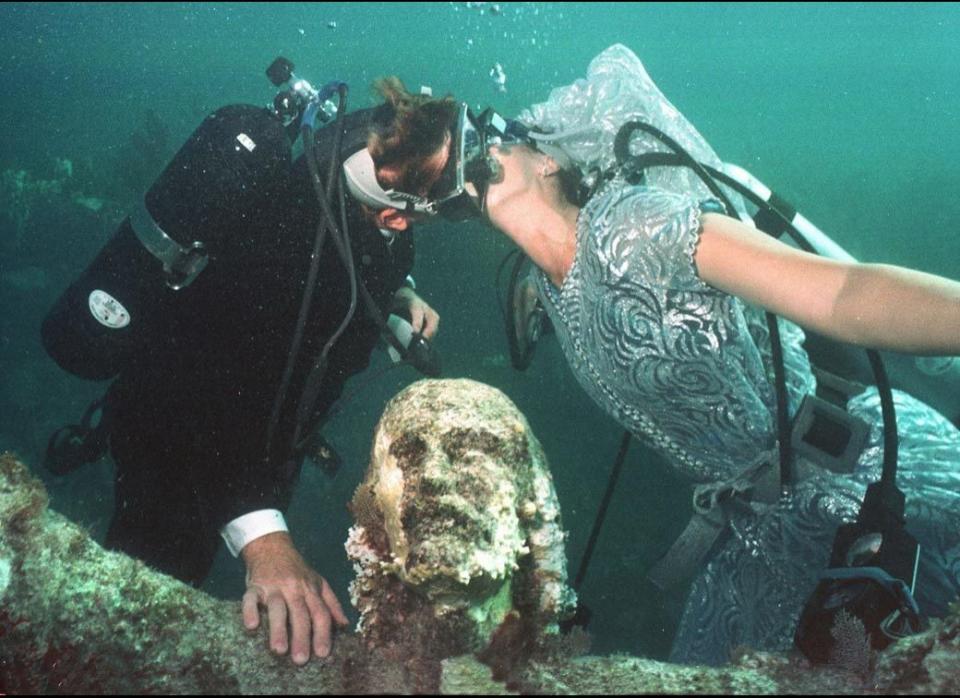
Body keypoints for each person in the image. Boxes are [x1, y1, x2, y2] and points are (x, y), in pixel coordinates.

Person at [443, 44, 960, 665]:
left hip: (866, 474)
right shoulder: (542, 288)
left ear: (550, 161)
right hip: (767, 534)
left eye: (501, 140)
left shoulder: (641, 225)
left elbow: (841, 293)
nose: (487, 154)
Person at [42, 74, 458, 665]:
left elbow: (367, 259)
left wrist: (397, 297)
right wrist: (264, 540)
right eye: (431, 200)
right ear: (393, 204)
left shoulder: (370, 215)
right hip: (175, 444)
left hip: (258, 448)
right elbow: (199, 388)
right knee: (142, 611)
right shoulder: (290, 238)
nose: (427, 218)